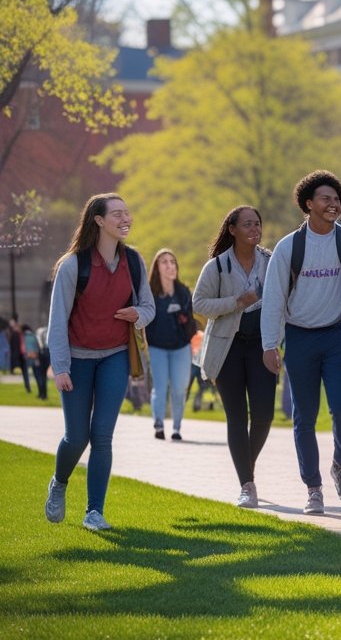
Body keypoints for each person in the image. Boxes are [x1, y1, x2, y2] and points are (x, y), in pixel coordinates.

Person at [44, 193, 155, 531]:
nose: (126, 218)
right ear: (99, 220)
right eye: (117, 213)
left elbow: (149, 308)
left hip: (114, 356)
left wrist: (138, 313)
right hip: (77, 360)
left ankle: (94, 512)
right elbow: (57, 320)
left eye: (127, 212)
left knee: (102, 437)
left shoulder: (134, 262)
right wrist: (60, 366)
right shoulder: (73, 265)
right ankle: (59, 483)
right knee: (76, 437)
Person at [262, 170, 341, 515]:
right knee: (304, 416)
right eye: (325, 198)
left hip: (338, 337)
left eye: (337, 199)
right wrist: (269, 344)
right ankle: (313, 488)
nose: (333, 204)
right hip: (300, 338)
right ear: (308, 204)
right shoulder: (289, 247)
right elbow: (274, 299)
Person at [192, 205, 276, 508]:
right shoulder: (216, 267)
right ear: (232, 229)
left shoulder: (271, 261)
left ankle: (246, 468)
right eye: (247, 224)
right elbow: (199, 303)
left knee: (264, 415)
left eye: (258, 223)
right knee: (237, 418)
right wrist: (236, 302)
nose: (255, 229)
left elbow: (284, 300)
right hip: (228, 347)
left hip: (261, 346)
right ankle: (247, 484)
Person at [145, 249, 196, 441]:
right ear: (157, 268)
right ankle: (158, 424)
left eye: (173, 262)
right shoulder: (149, 293)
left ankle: (176, 427)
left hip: (181, 347)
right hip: (157, 347)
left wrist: (182, 316)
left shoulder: (183, 292)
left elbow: (190, 320)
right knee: (160, 386)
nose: (170, 266)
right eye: (164, 262)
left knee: (178, 388)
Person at [9, 317, 29, 392]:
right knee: (23, 372)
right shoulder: (14, 335)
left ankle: (28, 387)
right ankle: (27, 387)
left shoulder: (24, 334)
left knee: (25, 372)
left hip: (25, 355)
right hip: (19, 355)